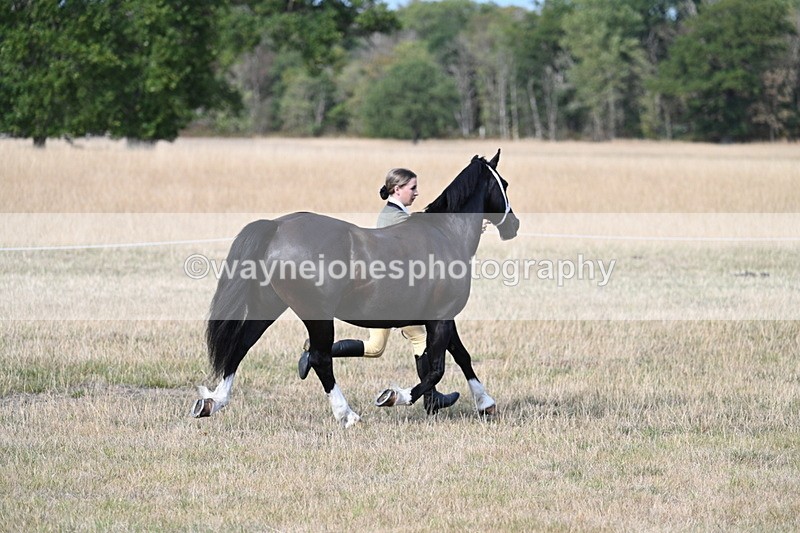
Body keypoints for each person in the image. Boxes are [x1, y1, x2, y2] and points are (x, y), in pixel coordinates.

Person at [297, 168, 460, 414]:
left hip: (388, 293)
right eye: (412, 188)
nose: (417, 193)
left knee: (375, 347)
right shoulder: (395, 218)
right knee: (419, 337)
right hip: (393, 297)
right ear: (397, 189)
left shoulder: (398, 215)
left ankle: (317, 352)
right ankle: (430, 397)